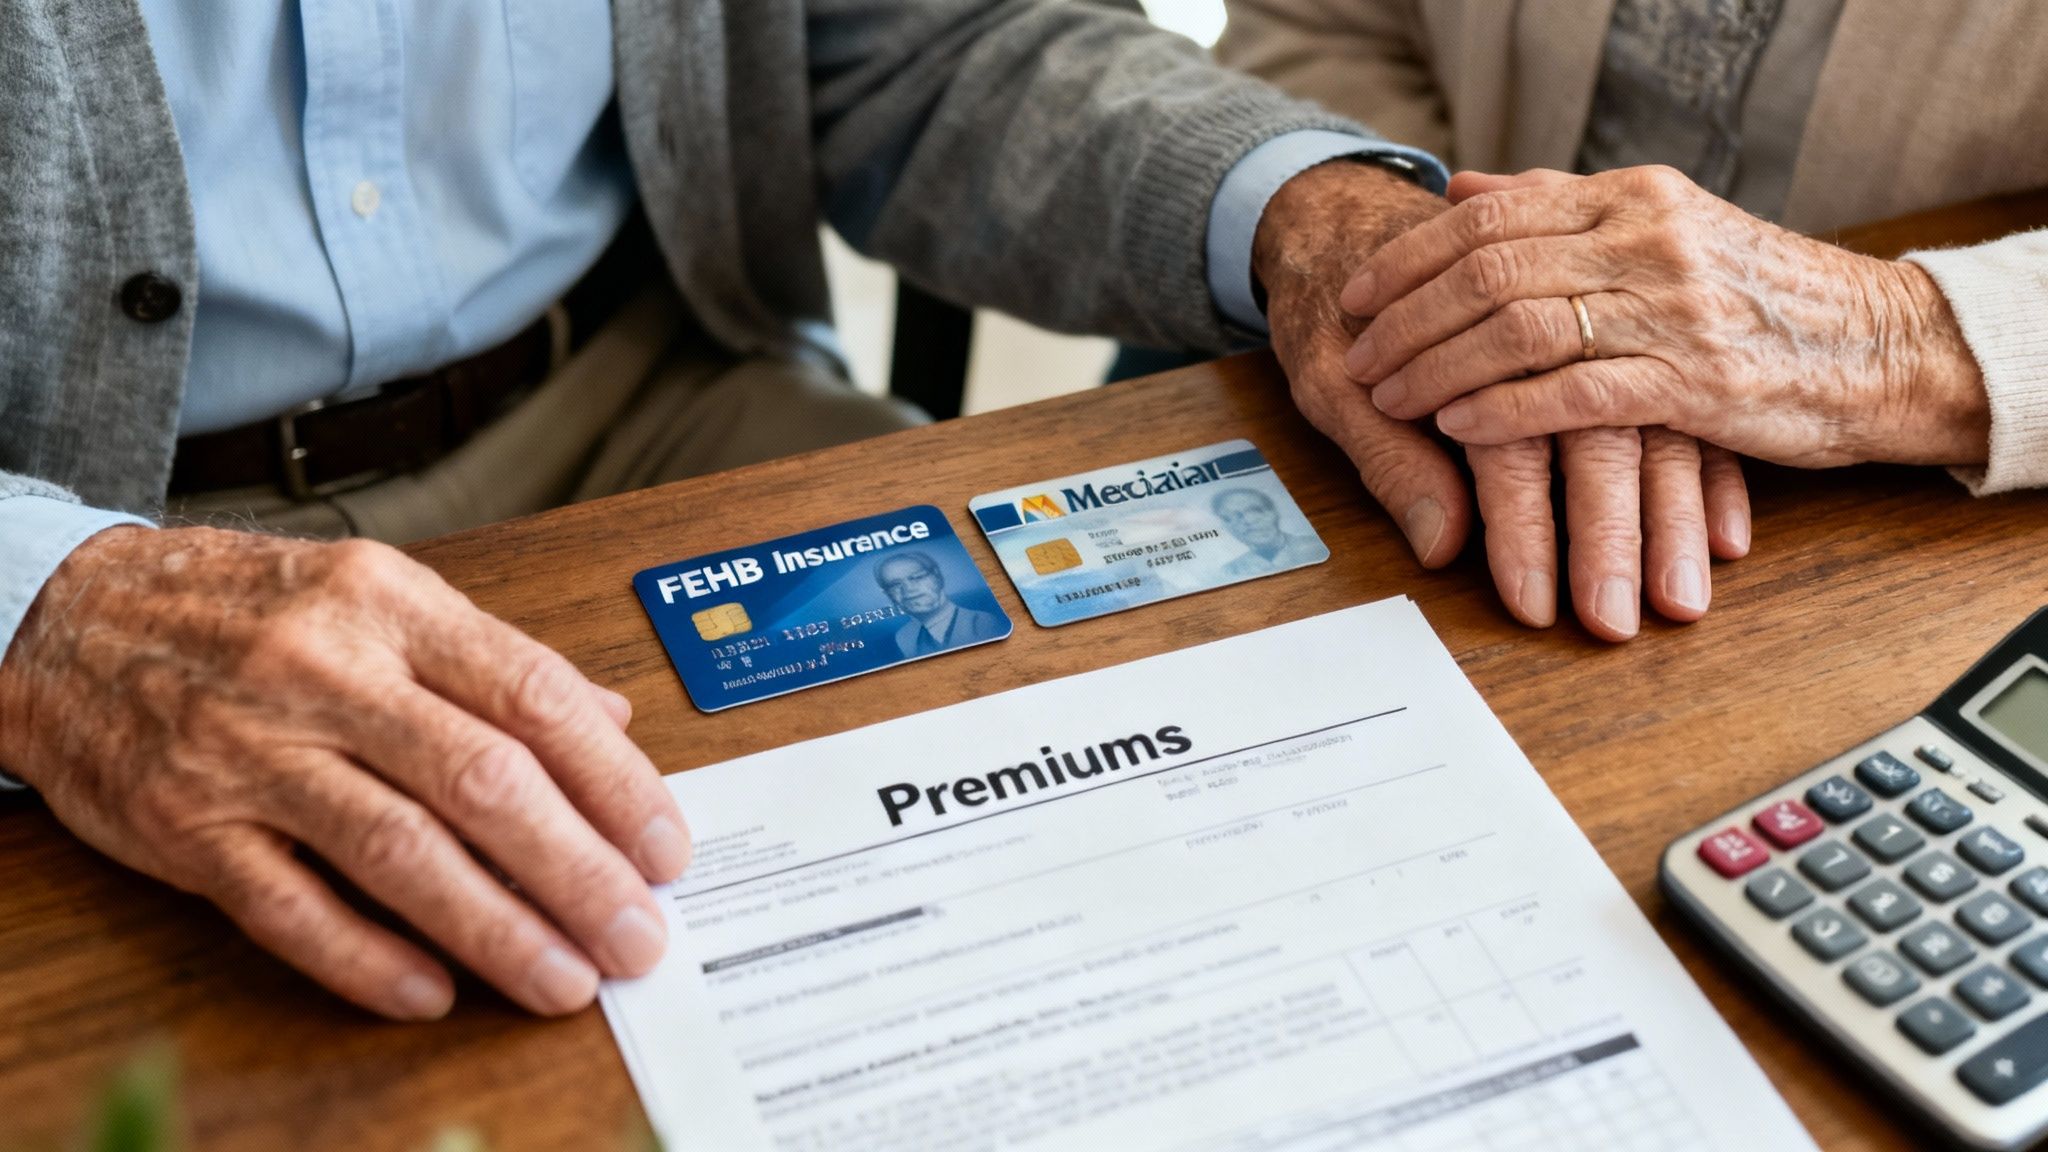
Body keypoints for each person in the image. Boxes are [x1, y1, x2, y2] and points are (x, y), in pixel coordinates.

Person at [2, 0, 1634, 1024]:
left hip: (651, 389)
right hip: (81, 517)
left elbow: (924, 36)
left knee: (1121, 913)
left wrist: (1304, 208)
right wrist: (41, 609)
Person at [1218, 0, 2048, 640]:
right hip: (1365, 383)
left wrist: (1890, 337)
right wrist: (1438, 257)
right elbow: (1321, 25)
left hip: (1906, 537)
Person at [875, 552, 1007, 658]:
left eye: (917, 577)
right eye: (895, 585)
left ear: (937, 577)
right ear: (888, 595)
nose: (908, 589)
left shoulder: (983, 622)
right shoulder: (904, 637)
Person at [1214, 488, 1324, 577]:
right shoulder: (1229, 571)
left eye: (1256, 510)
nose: (1248, 520)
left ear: (1274, 512)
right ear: (1227, 528)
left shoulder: (1317, 547)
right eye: (1231, 517)